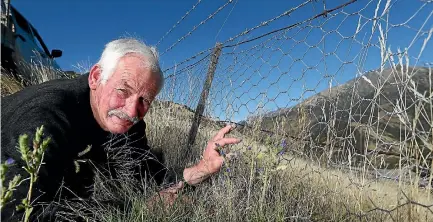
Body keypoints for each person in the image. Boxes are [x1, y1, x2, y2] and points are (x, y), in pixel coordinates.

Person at [0, 38, 241, 221]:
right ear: (96, 77)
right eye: (122, 91)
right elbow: (17, 210)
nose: (132, 110)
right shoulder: (47, 116)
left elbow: (154, 178)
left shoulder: (126, 123)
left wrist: (204, 167)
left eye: (145, 100)